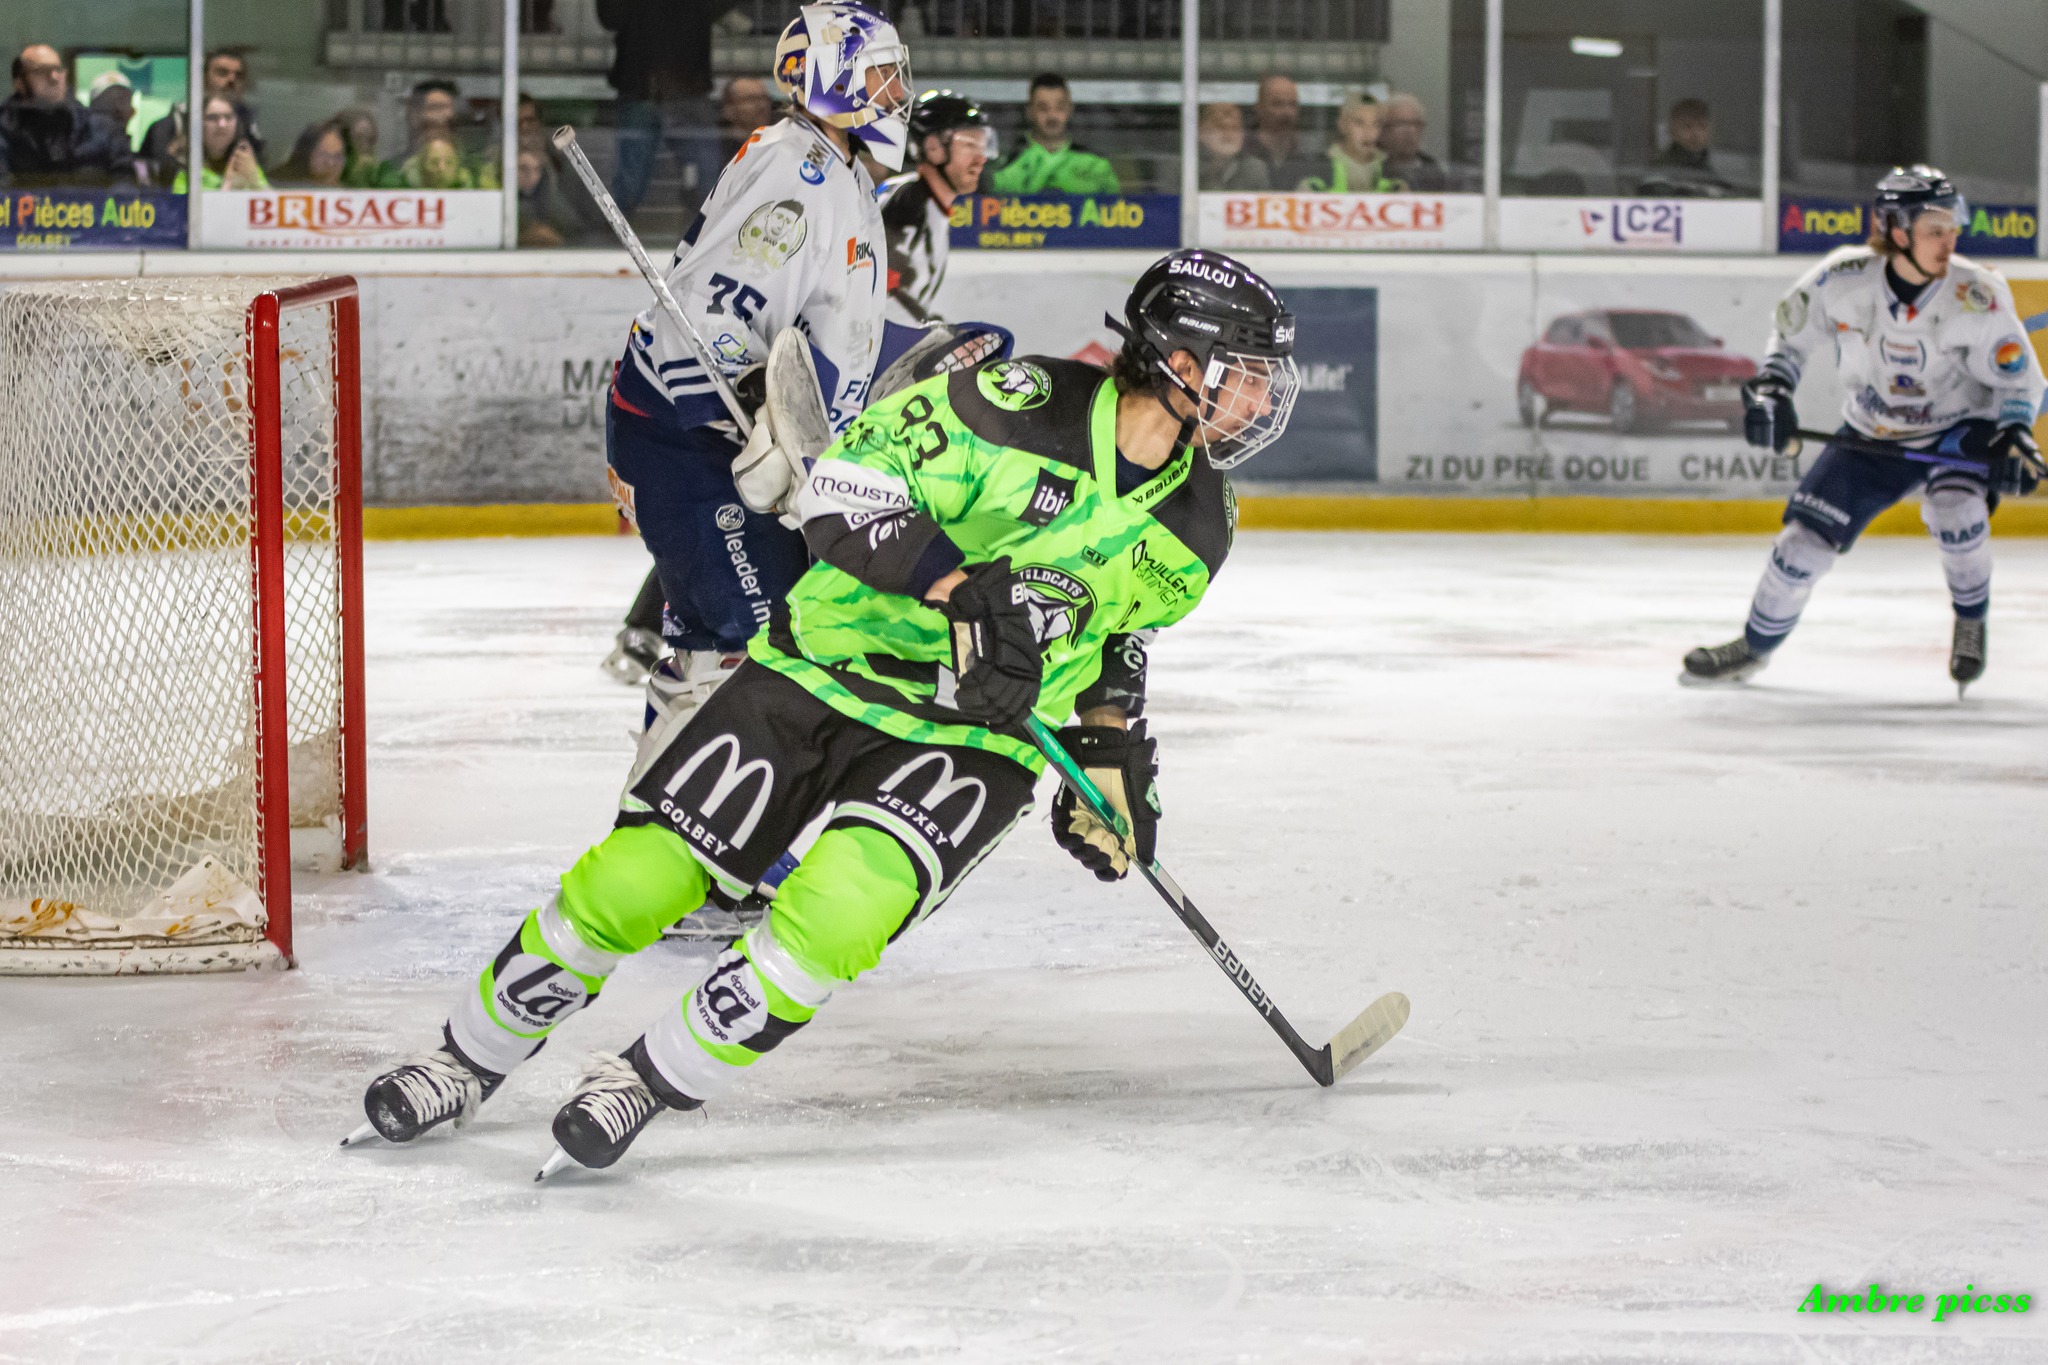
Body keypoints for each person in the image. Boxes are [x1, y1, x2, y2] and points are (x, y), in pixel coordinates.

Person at [347, 248, 1303, 1178]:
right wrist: (956, 586)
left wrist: (1105, 755)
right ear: (1181, 363)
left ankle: (649, 1076)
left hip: (978, 735)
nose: (1263, 401)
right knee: (636, 880)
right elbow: (845, 490)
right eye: (1248, 375)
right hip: (826, 668)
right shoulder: (1013, 405)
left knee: (841, 913)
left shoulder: (1201, 520)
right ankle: (464, 1059)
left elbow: (1117, 631)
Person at [593, 3, 910, 733]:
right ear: (835, 78)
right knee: (756, 640)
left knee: (724, 639)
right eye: (882, 75)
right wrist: (759, 420)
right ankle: (717, 829)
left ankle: (667, 812)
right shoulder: (797, 174)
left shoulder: (843, 173)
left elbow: (836, 325)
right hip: (689, 439)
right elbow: (709, 321)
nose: (898, 93)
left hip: (722, 447)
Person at [1682, 166, 2046, 693]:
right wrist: (1772, 389)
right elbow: (1788, 339)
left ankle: (1970, 620)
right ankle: (1753, 648)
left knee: (1957, 511)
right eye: (1935, 229)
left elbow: (2018, 382)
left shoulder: (1978, 294)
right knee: (1799, 549)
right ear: (1898, 231)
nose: (1951, 240)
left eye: (1952, 227)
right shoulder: (1842, 278)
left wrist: (2015, 435)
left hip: (1956, 429)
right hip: (1870, 433)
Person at [598, 0, 729, 217]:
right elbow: (610, 17)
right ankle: (613, 234)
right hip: (647, 89)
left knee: (709, 183)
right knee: (629, 185)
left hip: (682, 89)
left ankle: (711, 232)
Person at [878, 89, 993, 324]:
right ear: (933, 148)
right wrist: (929, 331)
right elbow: (880, 289)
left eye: (983, 146)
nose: (981, 159)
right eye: (970, 145)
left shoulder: (925, 203)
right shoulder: (907, 203)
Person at [1, 45, 127, 187]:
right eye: (42, 71)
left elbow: (125, 185)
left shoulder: (101, 129)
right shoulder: (5, 131)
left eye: (58, 70)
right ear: (20, 83)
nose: (54, 77)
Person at [989, 72, 1119, 195]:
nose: (1052, 116)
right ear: (1029, 111)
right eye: (1043, 108)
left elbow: (1117, 213)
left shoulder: (1096, 166)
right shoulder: (1005, 166)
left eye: (1060, 108)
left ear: (1070, 110)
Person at [141, 49, 263, 178]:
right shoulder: (171, 127)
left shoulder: (250, 127)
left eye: (239, 75)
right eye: (222, 73)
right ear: (203, 79)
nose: (231, 80)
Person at [1298, 94, 1399, 193]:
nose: (1368, 131)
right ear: (1342, 125)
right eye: (1359, 123)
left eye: (1376, 124)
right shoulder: (1320, 168)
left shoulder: (1391, 169)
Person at [170, 94, 268, 191]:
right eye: (212, 118)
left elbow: (274, 203)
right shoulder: (186, 177)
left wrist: (254, 181)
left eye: (228, 117)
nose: (222, 124)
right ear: (198, 125)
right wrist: (229, 184)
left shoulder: (247, 164)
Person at [1637, 98, 1731, 197]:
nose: (1695, 134)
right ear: (1672, 131)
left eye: (1702, 126)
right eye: (1687, 127)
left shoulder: (1713, 173)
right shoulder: (1660, 170)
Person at [1248, 73, 1315, 188]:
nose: (1287, 112)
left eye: (1293, 104)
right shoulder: (1242, 152)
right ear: (1259, 108)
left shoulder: (1312, 152)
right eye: (1277, 104)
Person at [1377, 93, 1446, 192]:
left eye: (1416, 124)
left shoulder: (1435, 172)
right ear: (1384, 130)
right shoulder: (1373, 171)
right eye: (1401, 123)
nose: (1410, 131)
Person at [1196, 102, 1269, 191]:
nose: (1228, 134)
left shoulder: (1255, 169)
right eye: (1220, 127)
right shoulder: (1183, 167)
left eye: (1235, 128)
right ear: (1201, 131)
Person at [273, 119, 351, 187]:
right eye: (323, 155)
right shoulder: (278, 187)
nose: (330, 163)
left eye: (338, 156)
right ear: (305, 154)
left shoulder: (353, 193)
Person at [719, 75, 776, 161]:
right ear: (729, 109)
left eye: (764, 98)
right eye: (751, 99)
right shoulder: (716, 150)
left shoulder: (778, 145)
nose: (762, 105)